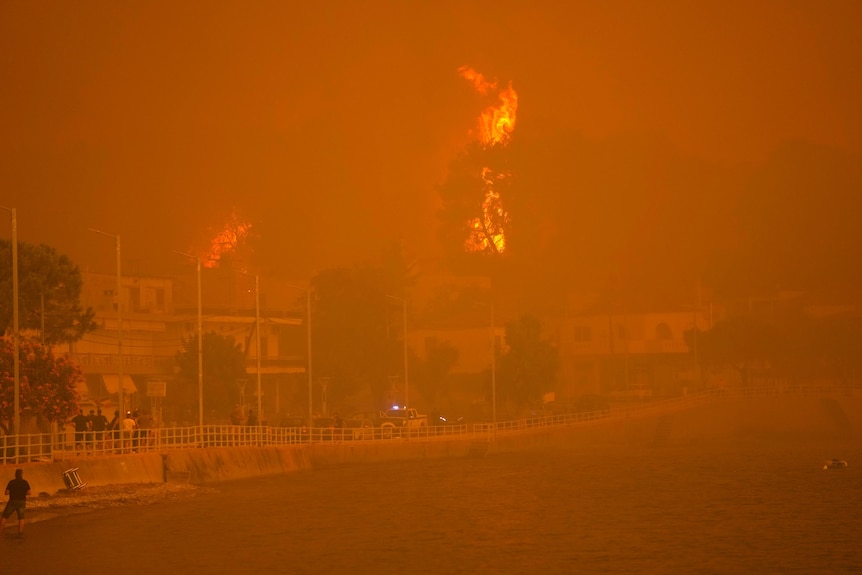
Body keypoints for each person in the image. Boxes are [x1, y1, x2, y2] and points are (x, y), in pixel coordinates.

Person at [0, 469, 31, 538]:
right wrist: (22, 492)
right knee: (21, 518)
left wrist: (13, 491)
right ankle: (20, 533)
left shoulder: (12, 482)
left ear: (15, 475)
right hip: (22, 502)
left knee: (4, 516)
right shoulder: (25, 482)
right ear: (21, 475)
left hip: (12, 501)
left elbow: (6, 493)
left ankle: (0, 532)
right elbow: (29, 493)